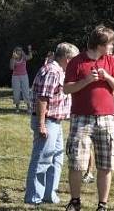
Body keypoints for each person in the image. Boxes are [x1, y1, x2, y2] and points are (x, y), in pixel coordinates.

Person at [62, 25, 114, 211]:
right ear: (99, 44)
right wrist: (86, 80)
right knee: (77, 163)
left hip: (106, 118)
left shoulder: (111, 61)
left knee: (106, 163)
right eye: (110, 43)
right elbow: (66, 88)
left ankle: (102, 204)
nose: (112, 47)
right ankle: (75, 201)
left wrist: (108, 78)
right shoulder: (77, 62)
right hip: (81, 118)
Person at [24, 42, 79, 206]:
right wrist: (41, 124)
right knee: (42, 159)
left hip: (56, 122)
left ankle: (49, 194)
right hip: (47, 121)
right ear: (68, 59)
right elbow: (42, 99)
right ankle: (34, 197)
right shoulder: (52, 71)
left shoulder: (58, 71)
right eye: (75, 61)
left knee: (56, 159)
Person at [10, 45, 33, 112]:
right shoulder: (12, 58)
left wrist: (29, 49)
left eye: (20, 50)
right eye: (18, 50)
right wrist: (13, 59)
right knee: (16, 92)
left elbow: (30, 57)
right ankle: (17, 107)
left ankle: (29, 107)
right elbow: (11, 68)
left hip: (24, 76)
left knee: (26, 91)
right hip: (15, 77)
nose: (19, 51)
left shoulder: (24, 57)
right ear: (15, 51)